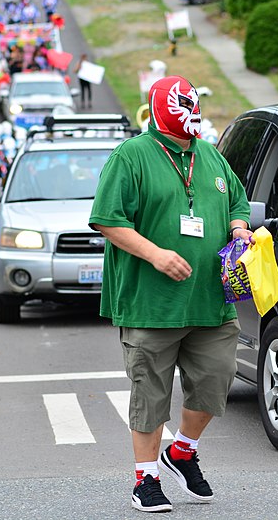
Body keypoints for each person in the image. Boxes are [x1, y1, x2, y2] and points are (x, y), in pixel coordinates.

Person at [89, 76, 253, 513]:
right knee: (151, 393)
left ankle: (181, 451)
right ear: (162, 108)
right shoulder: (131, 156)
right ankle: (146, 479)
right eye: (184, 107)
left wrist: (239, 229)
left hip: (211, 300)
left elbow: (237, 202)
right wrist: (156, 254)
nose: (192, 117)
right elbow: (108, 219)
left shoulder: (211, 157)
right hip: (150, 304)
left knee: (216, 380)